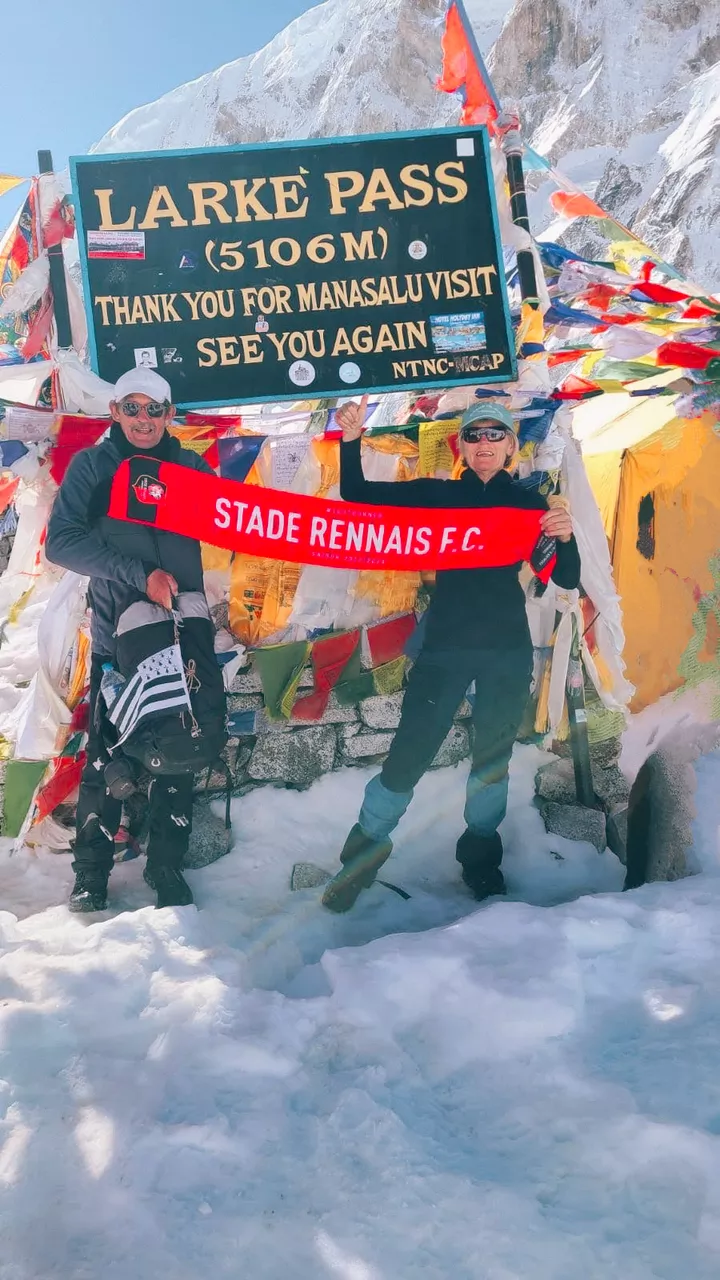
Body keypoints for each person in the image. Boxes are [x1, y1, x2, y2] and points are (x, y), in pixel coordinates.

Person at [322, 395, 581, 913]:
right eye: (474, 434)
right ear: (460, 446)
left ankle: (481, 860)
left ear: (510, 446)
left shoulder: (530, 506)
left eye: (494, 434)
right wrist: (351, 441)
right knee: (408, 756)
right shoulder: (438, 496)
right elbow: (356, 494)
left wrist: (566, 537)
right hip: (444, 647)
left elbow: (567, 577)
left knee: (492, 762)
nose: (484, 443)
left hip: (505, 651)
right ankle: (360, 860)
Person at [46, 368, 215, 912]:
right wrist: (139, 575)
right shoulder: (93, 466)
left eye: (154, 408)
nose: (144, 419)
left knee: (179, 746)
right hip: (118, 637)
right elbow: (61, 542)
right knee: (105, 754)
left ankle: (166, 867)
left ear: (170, 414)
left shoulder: (192, 468)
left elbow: (234, 522)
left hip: (181, 633)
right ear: (115, 411)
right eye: (133, 407)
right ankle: (91, 874)